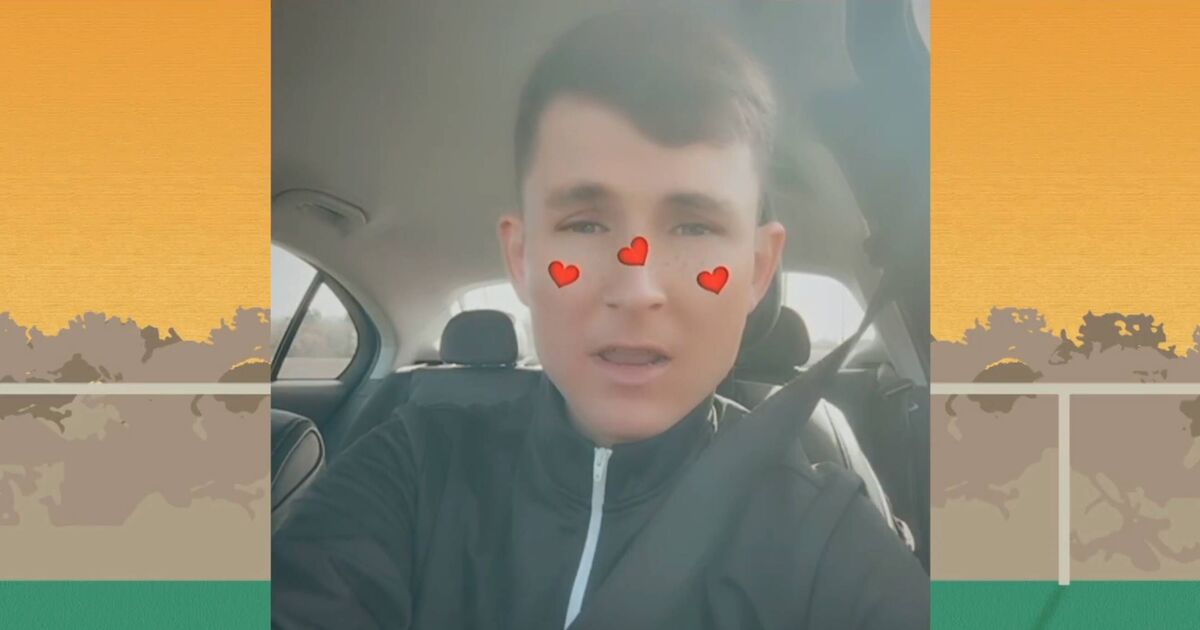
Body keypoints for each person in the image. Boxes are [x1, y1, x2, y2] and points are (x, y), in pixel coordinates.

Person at [272, 7, 929, 629]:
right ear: (523, 258)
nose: (637, 289)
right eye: (585, 224)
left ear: (757, 269)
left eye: (693, 226)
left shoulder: (823, 534)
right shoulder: (411, 468)